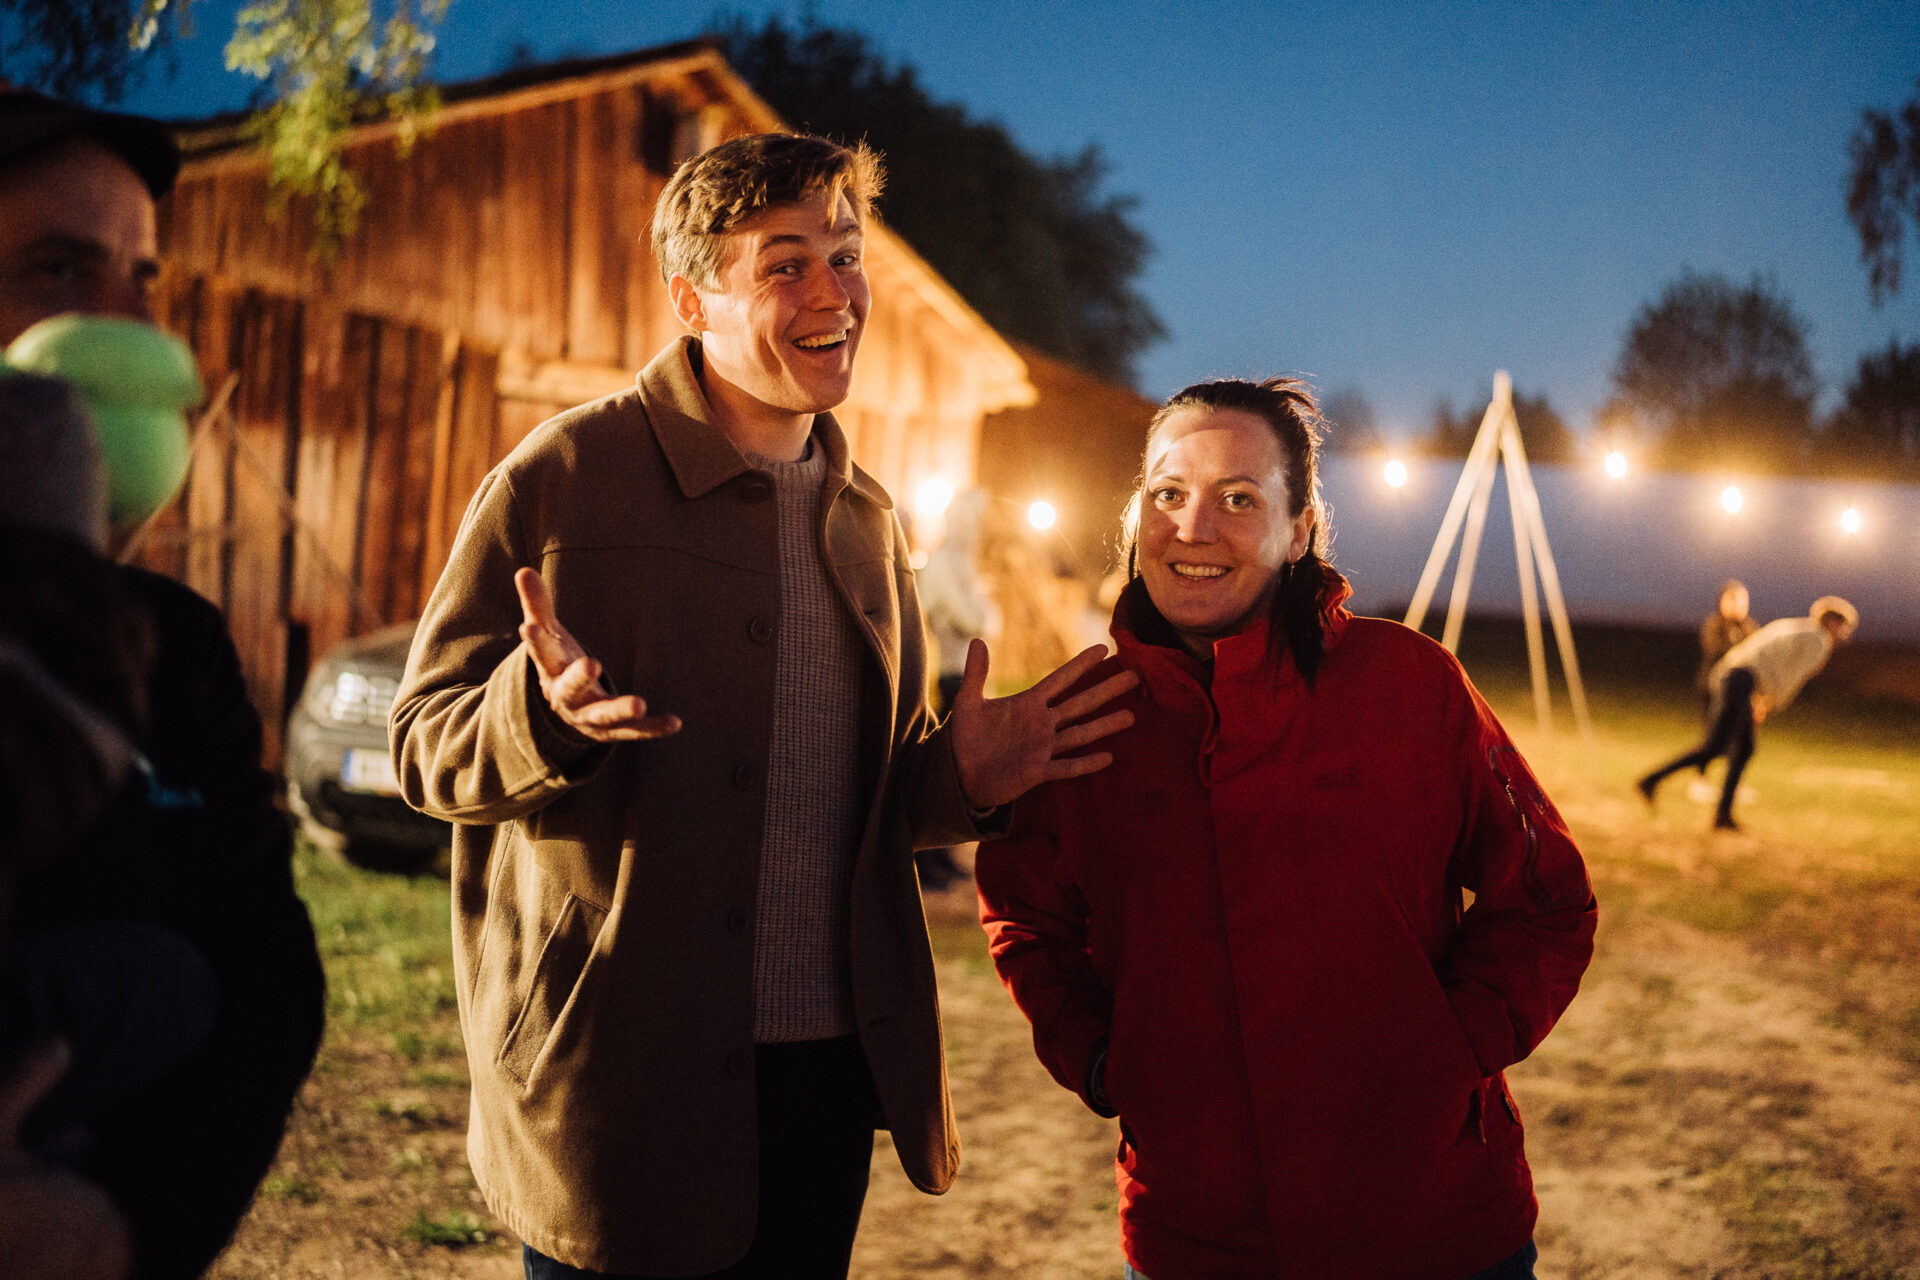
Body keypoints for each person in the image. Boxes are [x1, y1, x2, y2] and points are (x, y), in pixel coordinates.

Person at [391, 132, 1136, 1280]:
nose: (835, 291)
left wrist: (962, 778)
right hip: (620, 1069)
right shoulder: (565, 476)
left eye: (846, 254)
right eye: (786, 263)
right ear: (693, 300)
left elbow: (864, 795)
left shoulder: (869, 521)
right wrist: (538, 716)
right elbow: (421, 742)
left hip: (826, 1077)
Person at [975, 377, 1597, 1280]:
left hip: (1433, 1226)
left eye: (1238, 498)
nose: (1193, 528)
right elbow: (1025, 919)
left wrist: (1447, 1049)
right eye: (1168, 493)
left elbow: (1547, 899)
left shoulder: (1409, 685)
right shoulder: (1087, 722)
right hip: (1198, 1235)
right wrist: (1103, 1058)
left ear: (1300, 528)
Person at [0, 87, 326, 1279]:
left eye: (142, 277)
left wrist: (125, 1230)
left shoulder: (175, 641)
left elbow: (268, 975)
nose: (133, 329)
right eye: (58, 269)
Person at [1638, 596, 1858, 831]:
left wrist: (1756, 695)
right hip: (1742, 680)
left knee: (1740, 749)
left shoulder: (1794, 626)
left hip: (1735, 675)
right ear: (1832, 622)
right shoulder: (1818, 640)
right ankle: (1653, 781)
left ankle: (1720, 813)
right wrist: (1769, 702)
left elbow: (1761, 656)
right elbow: (1791, 677)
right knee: (1718, 746)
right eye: (1842, 627)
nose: (1842, 634)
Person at [1697, 579, 1757, 715]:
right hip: (1714, 686)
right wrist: (1739, 654)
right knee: (1717, 725)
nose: (1738, 605)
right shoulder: (1713, 624)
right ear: (1722, 602)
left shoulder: (1750, 628)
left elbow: (1758, 654)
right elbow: (1714, 650)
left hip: (1743, 689)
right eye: (1732, 599)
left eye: (1742, 600)